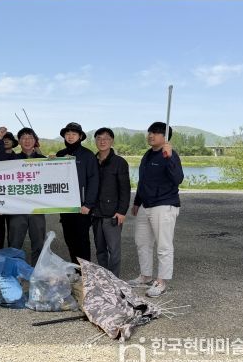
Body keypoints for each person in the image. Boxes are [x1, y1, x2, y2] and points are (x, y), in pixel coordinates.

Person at [128, 122, 184, 298]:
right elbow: (143, 181)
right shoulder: (147, 155)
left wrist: (170, 158)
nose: (151, 135)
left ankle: (161, 281)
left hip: (164, 205)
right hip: (145, 204)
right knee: (142, 242)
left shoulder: (170, 154)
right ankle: (145, 276)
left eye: (156, 133)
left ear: (165, 137)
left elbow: (178, 178)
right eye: (150, 132)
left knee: (163, 245)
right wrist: (137, 201)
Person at [0, 126, 46, 265]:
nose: (27, 141)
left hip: (37, 209)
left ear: (35, 140)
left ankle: (37, 269)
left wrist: (59, 162)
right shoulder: (13, 158)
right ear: (19, 141)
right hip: (17, 208)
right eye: (23, 138)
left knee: (39, 242)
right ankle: (14, 269)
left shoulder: (43, 160)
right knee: (15, 242)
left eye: (30, 138)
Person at [55, 122, 99, 264]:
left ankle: (85, 273)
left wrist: (88, 204)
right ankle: (76, 270)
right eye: (67, 134)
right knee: (70, 240)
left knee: (82, 241)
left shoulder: (87, 155)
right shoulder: (60, 154)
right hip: (65, 206)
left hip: (82, 207)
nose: (70, 136)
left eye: (74, 134)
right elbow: (53, 178)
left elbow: (94, 180)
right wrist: (50, 162)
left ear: (80, 136)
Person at [91, 127, 131, 277]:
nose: (102, 141)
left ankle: (114, 279)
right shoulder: (92, 160)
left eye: (106, 138)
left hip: (113, 214)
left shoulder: (119, 162)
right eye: (99, 138)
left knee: (114, 250)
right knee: (100, 249)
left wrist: (121, 211)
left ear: (112, 141)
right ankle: (104, 277)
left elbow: (125, 189)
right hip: (96, 213)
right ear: (95, 141)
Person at [0, 131, 18, 249]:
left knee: (13, 226)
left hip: (14, 198)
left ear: (13, 142)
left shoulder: (19, 158)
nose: (6, 141)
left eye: (9, 139)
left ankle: (11, 250)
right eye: (3, 139)